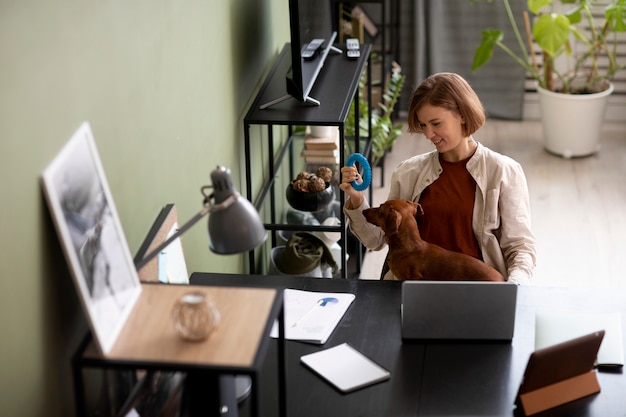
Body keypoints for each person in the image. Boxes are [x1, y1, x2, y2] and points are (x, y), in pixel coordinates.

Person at [340, 72, 536, 284]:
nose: (428, 134)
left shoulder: (504, 171)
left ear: (461, 114)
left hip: (480, 291)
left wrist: (513, 289)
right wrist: (357, 199)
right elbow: (376, 241)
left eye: (436, 123)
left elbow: (520, 247)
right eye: (423, 125)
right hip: (415, 290)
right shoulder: (408, 172)